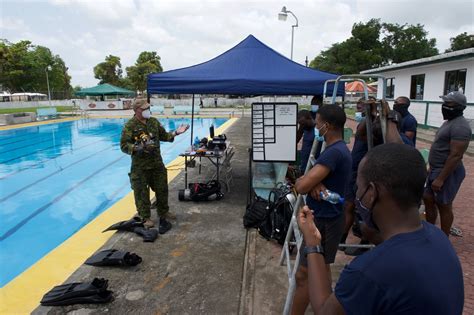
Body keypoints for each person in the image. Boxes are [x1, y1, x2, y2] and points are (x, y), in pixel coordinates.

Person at [298, 143, 464, 314]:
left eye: (358, 187)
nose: (356, 195)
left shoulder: (367, 272)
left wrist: (313, 243)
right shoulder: (439, 237)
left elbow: (324, 310)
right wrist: (377, 235)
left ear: (371, 193)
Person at [292, 105, 352, 314]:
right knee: (321, 270)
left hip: (323, 221)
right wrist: (313, 183)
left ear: (326, 126)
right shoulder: (339, 150)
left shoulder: (333, 153)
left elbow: (300, 186)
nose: (316, 128)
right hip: (329, 218)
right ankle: (328, 308)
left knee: (303, 276)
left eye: (318, 124)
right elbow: (307, 183)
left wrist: (308, 182)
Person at [120, 98, 189, 232]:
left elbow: (164, 136)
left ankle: (163, 212)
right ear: (137, 110)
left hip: (157, 164)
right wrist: (138, 147)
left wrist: (176, 132)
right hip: (140, 167)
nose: (147, 110)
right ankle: (145, 217)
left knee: (162, 190)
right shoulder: (130, 126)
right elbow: (123, 146)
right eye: (144, 109)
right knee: (141, 193)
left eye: (148, 108)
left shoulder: (153, 122)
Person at [423, 91, 472, 236]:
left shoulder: (461, 127)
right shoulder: (449, 123)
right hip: (436, 169)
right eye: (444, 103)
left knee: (444, 205)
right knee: (428, 198)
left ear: (459, 107)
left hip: (447, 171)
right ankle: (429, 233)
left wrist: (440, 178)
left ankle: (443, 238)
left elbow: (456, 155)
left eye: (448, 104)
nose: (444, 107)